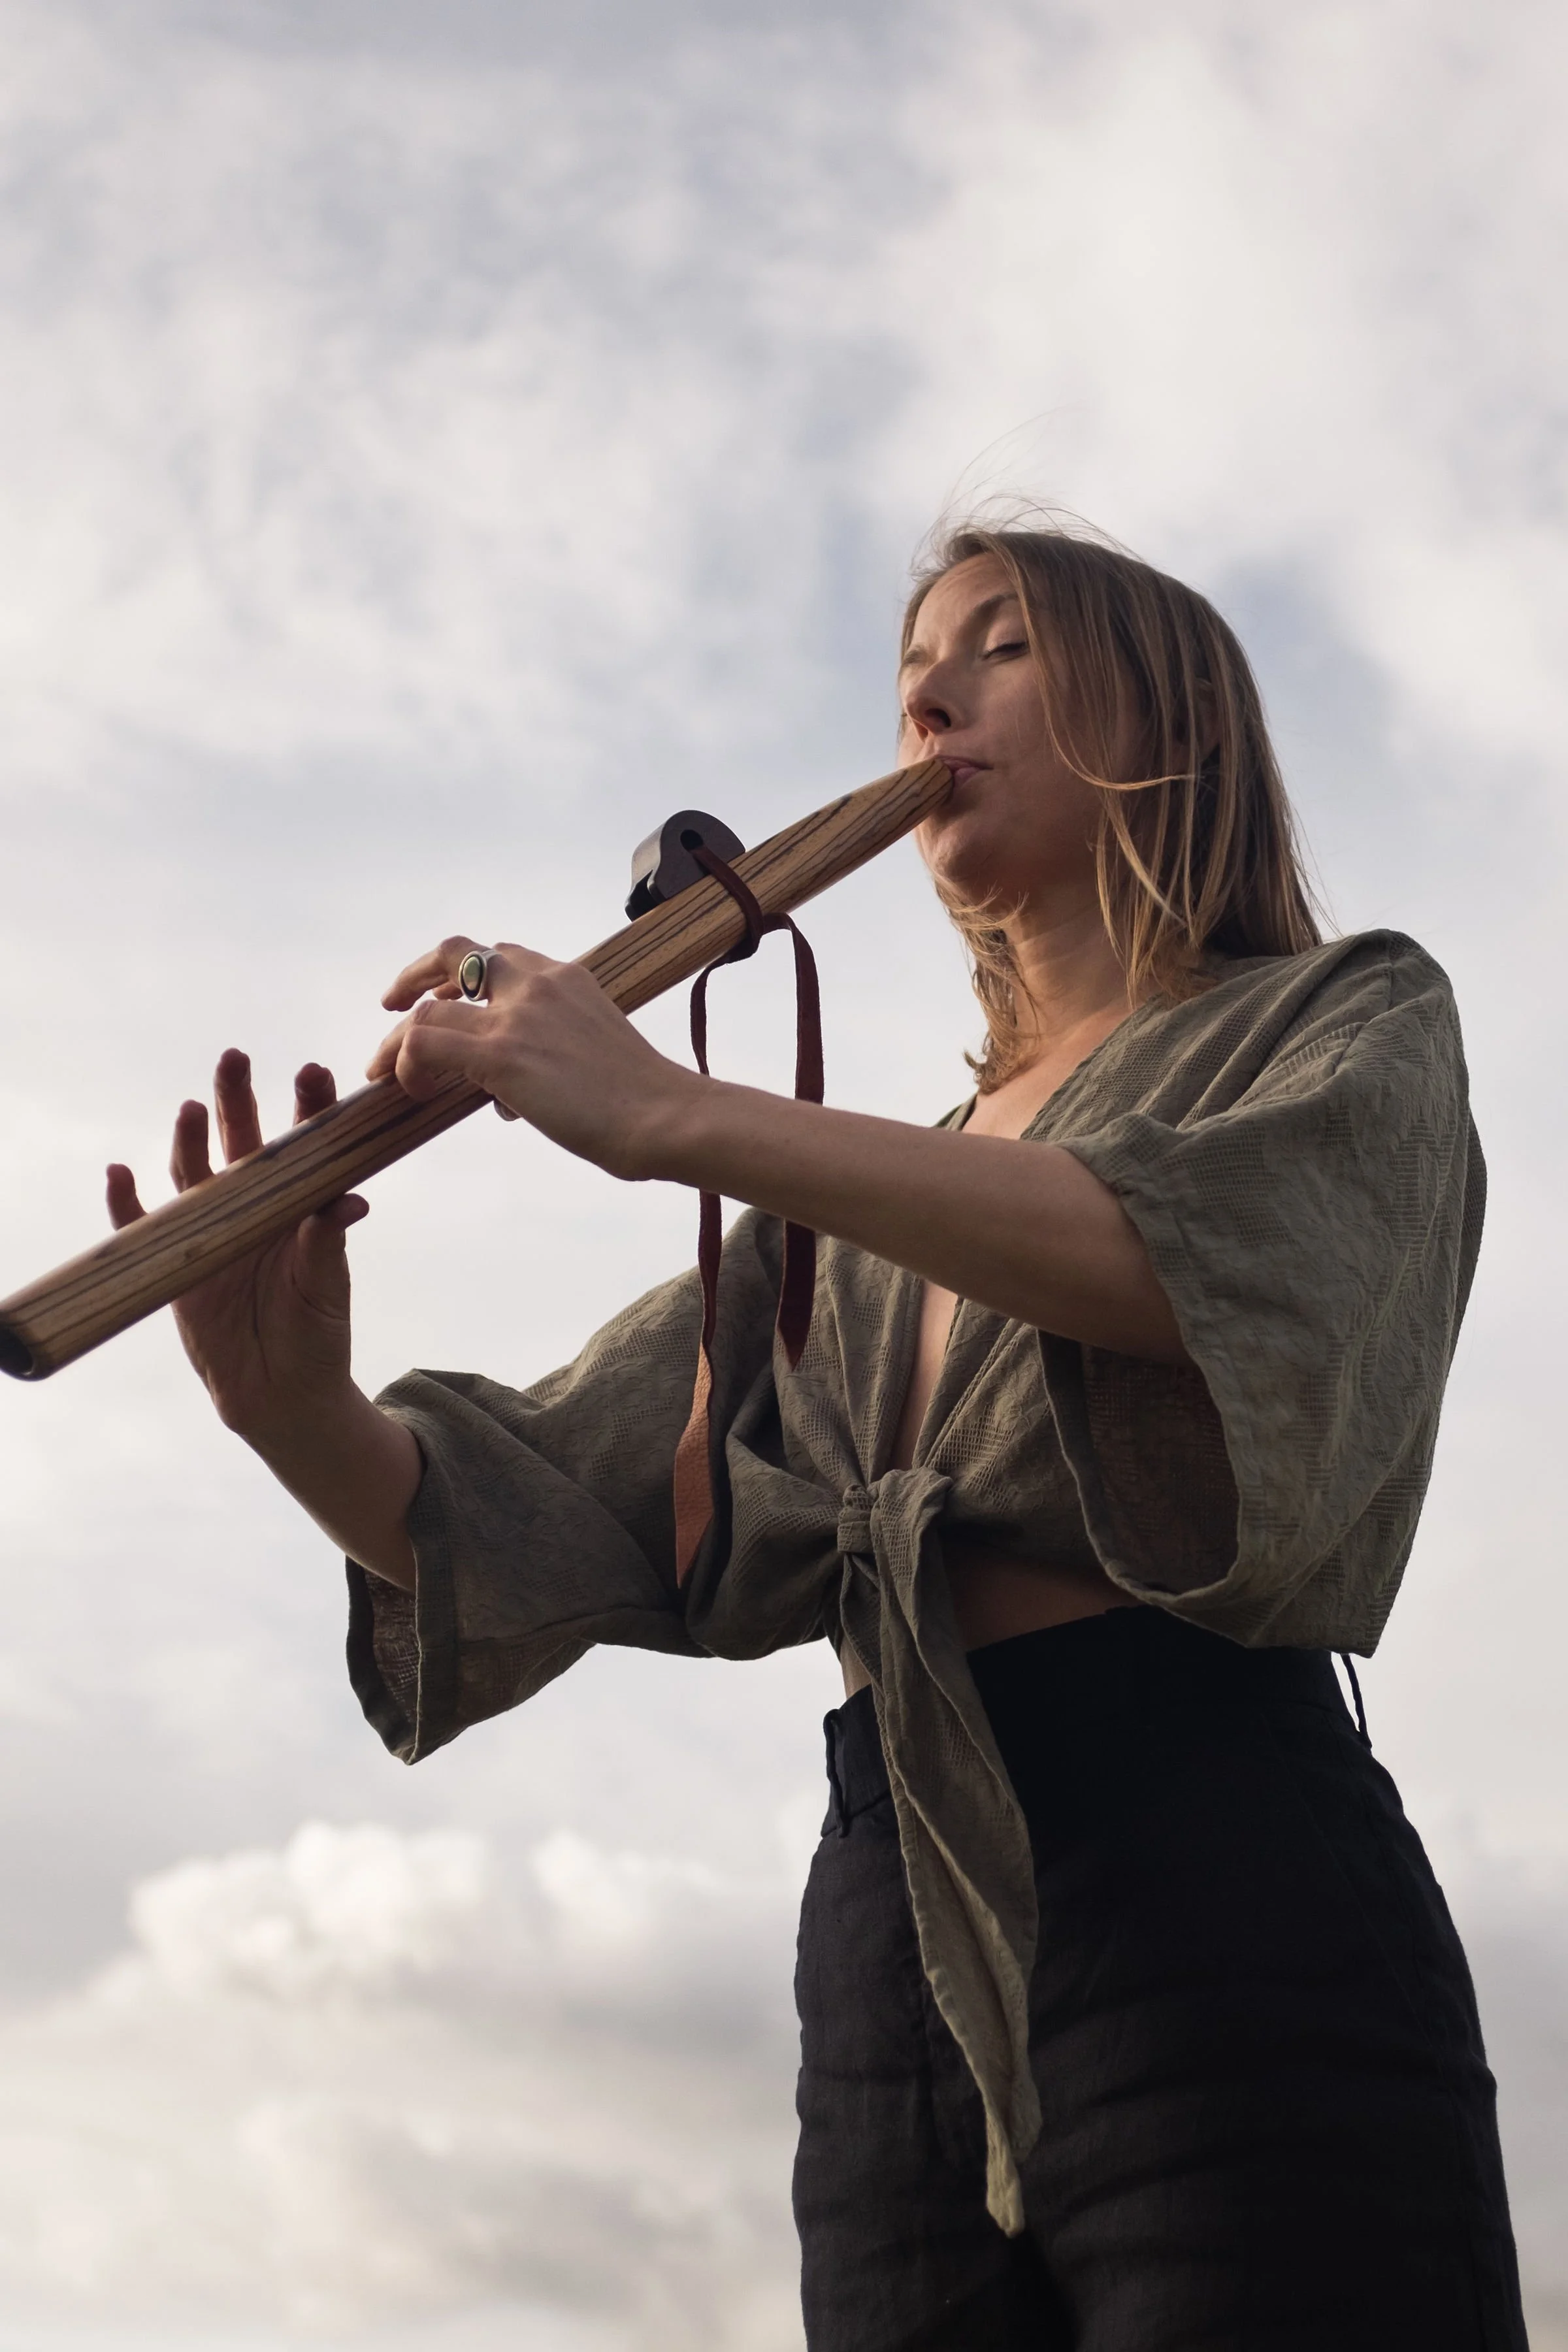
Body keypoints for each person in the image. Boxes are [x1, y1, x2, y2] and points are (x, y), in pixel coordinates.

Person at [108, 523, 1527, 2349]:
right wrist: (295, 1413)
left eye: (1000, 647)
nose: (929, 694)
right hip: (885, 1939)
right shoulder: (848, 1223)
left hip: (1222, 1881)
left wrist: (671, 1116)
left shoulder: (1343, 1021)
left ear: (1172, 713)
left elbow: (1185, 1263)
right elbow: (540, 1507)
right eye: (913, 666)